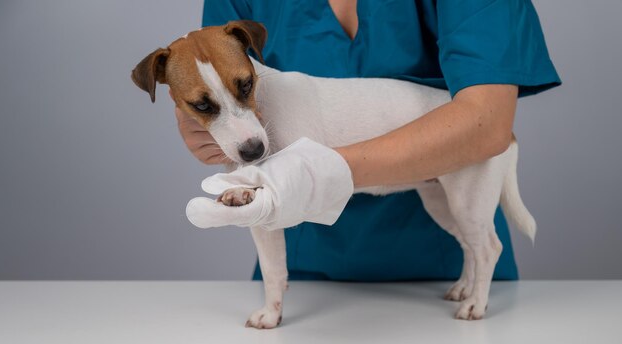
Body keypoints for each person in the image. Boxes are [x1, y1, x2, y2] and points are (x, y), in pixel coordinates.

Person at [178, 0, 560, 281]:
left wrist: (324, 173)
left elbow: (488, 122)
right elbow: (205, 69)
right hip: (304, 277)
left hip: (439, 269)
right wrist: (204, 127)